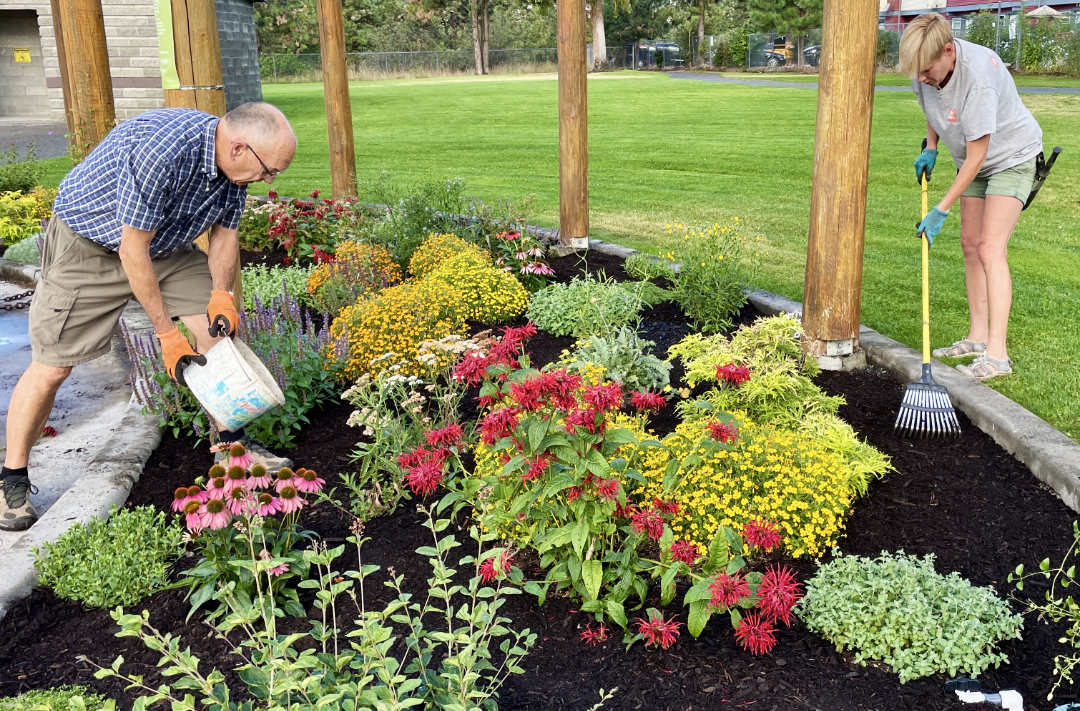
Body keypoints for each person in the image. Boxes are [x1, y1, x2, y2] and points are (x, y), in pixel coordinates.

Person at [0, 102, 297, 531]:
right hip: (90, 246)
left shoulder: (238, 167)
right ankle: (12, 479)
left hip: (165, 245)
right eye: (269, 170)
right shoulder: (162, 150)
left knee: (217, 335)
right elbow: (130, 249)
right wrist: (164, 333)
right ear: (237, 148)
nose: (270, 180)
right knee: (53, 366)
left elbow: (225, 235)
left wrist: (220, 295)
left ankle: (231, 444)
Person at [899, 13, 1042, 381]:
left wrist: (940, 209)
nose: (920, 78)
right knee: (969, 245)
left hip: (1011, 156)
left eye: (927, 69)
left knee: (990, 248)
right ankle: (977, 338)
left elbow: (979, 157)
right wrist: (931, 146)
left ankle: (998, 355)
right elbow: (934, 103)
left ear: (949, 50)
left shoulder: (978, 77)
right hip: (972, 156)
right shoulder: (925, 67)